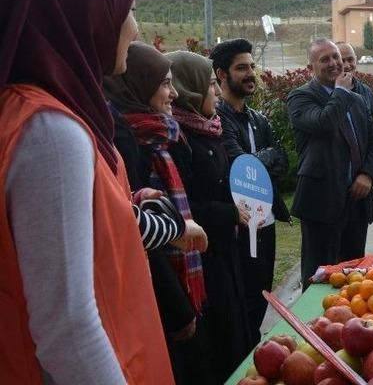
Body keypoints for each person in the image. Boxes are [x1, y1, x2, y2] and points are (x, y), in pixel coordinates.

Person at [0, 0, 172, 383]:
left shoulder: (26, 112)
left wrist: (120, 209)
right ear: (79, 9)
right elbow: (69, 333)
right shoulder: (49, 129)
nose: (134, 29)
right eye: (126, 7)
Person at [104, 41, 215, 384]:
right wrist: (178, 308)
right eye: (164, 84)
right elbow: (131, 227)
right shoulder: (126, 135)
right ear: (138, 84)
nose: (174, 94)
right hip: (156, 292)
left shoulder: (161, 135)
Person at [167, 50, 255, 383]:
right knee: (217, 343)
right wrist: (230, 212)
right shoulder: (178, 138)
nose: (216, 92)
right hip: (202, 260)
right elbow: (185, 207)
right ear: (190, 88)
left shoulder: (209, 128)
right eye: (210, 85)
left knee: (237, 334)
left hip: (225, 251)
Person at [210, 38, 291, 343]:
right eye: (241, 68)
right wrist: (259, 163)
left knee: (261, 298)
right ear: (221, 74)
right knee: (241, 306)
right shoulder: (217, 119)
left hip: (266, 224)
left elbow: (281, 163)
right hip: (240, 227)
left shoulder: (258, 119)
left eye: (252, 67)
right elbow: (235, 165)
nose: (250, 74)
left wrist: (255, 165)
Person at [287, 39, 373, 287]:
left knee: (354, 276)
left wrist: (367, 175)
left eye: (335, 57)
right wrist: (341, 92)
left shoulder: (356, 99)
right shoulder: (300, 98)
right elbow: (324, 123)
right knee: (320, 276)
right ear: (311, 68)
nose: (333, 63)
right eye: (324, 59)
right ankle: (313, 325)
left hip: (356, 201)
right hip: (321, 203)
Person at [337, 41, 373, 118]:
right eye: (342, 61)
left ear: (356, 59)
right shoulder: (327, 91)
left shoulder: (366, 91)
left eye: (350, 59)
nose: (347, 65)